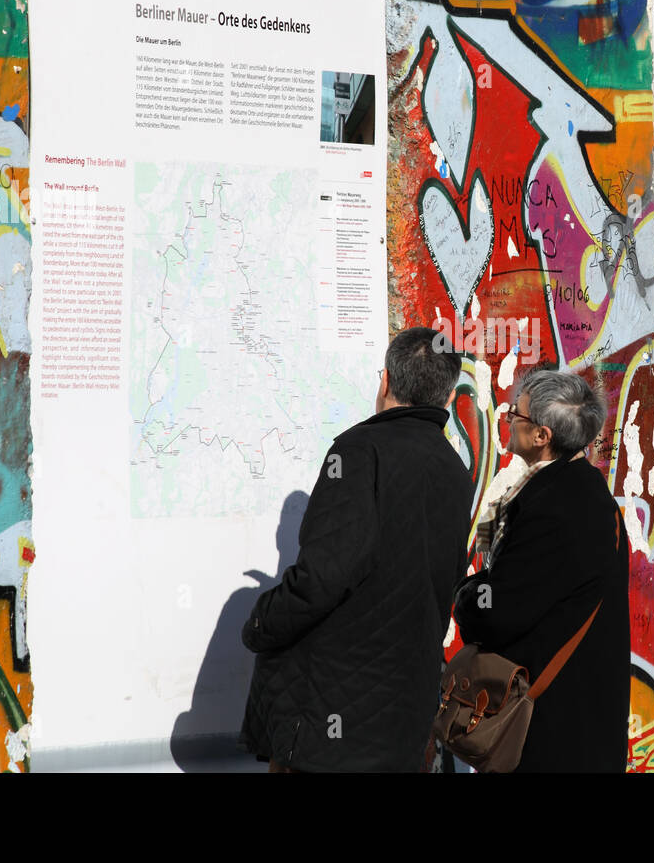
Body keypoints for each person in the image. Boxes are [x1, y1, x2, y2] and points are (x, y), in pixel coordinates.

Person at [240, 327, 473, 772]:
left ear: (384, 381)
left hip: (332, 725)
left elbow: (322, 577)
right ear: (447, 399)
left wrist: (258, 624)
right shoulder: (454, 470)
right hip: (406, 718)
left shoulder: (357, 452)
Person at [452, 369, 629, 772]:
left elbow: (498, 612)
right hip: (583, 722)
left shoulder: (553, 508)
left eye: (517, 412)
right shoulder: (587, 493)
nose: (508, 416)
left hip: (551, 733)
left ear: (542, 436)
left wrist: (465, 596)